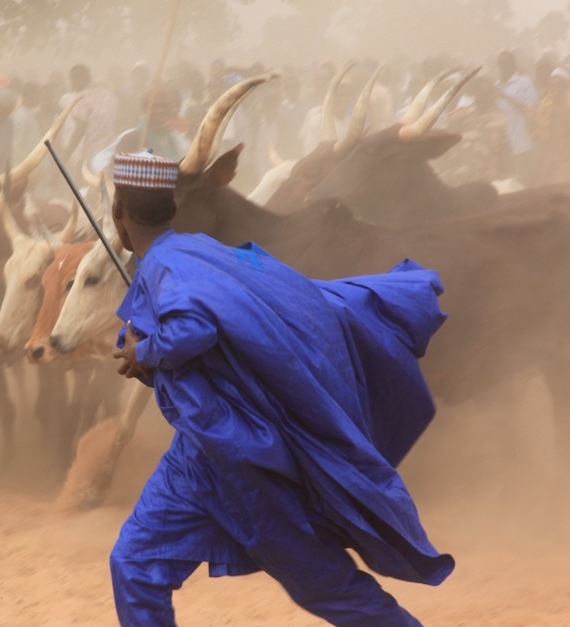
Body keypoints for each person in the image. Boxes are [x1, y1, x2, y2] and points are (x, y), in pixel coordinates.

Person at [108, 150, 454, 626]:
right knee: (135, 564)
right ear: (171, 208)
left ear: (117, 213)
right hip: (197, 456)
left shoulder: (169, 267)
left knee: (331, 590)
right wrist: (150, 362)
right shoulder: (203, 250)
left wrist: (141, 354)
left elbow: (194, 328)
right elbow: (219, 345)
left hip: (244, 464)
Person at [496, 50, 539, 185]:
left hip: (525, 143)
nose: (503, 66)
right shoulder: (496, 86)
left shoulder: (524, 83)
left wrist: (505, 96)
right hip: (505, 146)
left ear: (513, 64)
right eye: (500, 63)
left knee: (529, 182)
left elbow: (531, 110)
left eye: (506, 63)